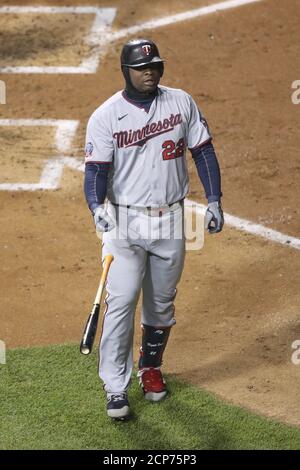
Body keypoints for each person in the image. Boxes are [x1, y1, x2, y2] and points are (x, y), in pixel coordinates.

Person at [84, 39, 224, 420]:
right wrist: (97, 207)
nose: (150, 72)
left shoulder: (181, 102)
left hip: (171, 219)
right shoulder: (106, 116)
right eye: (141, 68)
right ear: (126, 71)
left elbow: (203, 151)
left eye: (155, 66)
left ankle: (150, 368)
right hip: (125, 223)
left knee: (161, 304)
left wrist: (214, 200)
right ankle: (115, 386)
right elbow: (96, 170)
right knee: (123, 300)